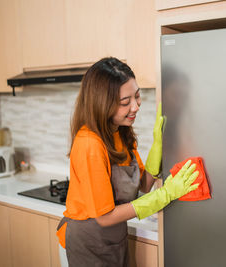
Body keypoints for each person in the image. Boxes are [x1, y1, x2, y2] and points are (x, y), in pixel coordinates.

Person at [56, 57, 199, 267]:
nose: (135, 106)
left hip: (113, 238)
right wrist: (166, 195)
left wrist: (157, 146)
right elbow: (104, 217)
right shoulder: (89, 144)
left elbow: (143, 185)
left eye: (137, 96)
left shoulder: (120, 131)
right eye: (125, 102)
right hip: (87, 242)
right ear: (102, 103)